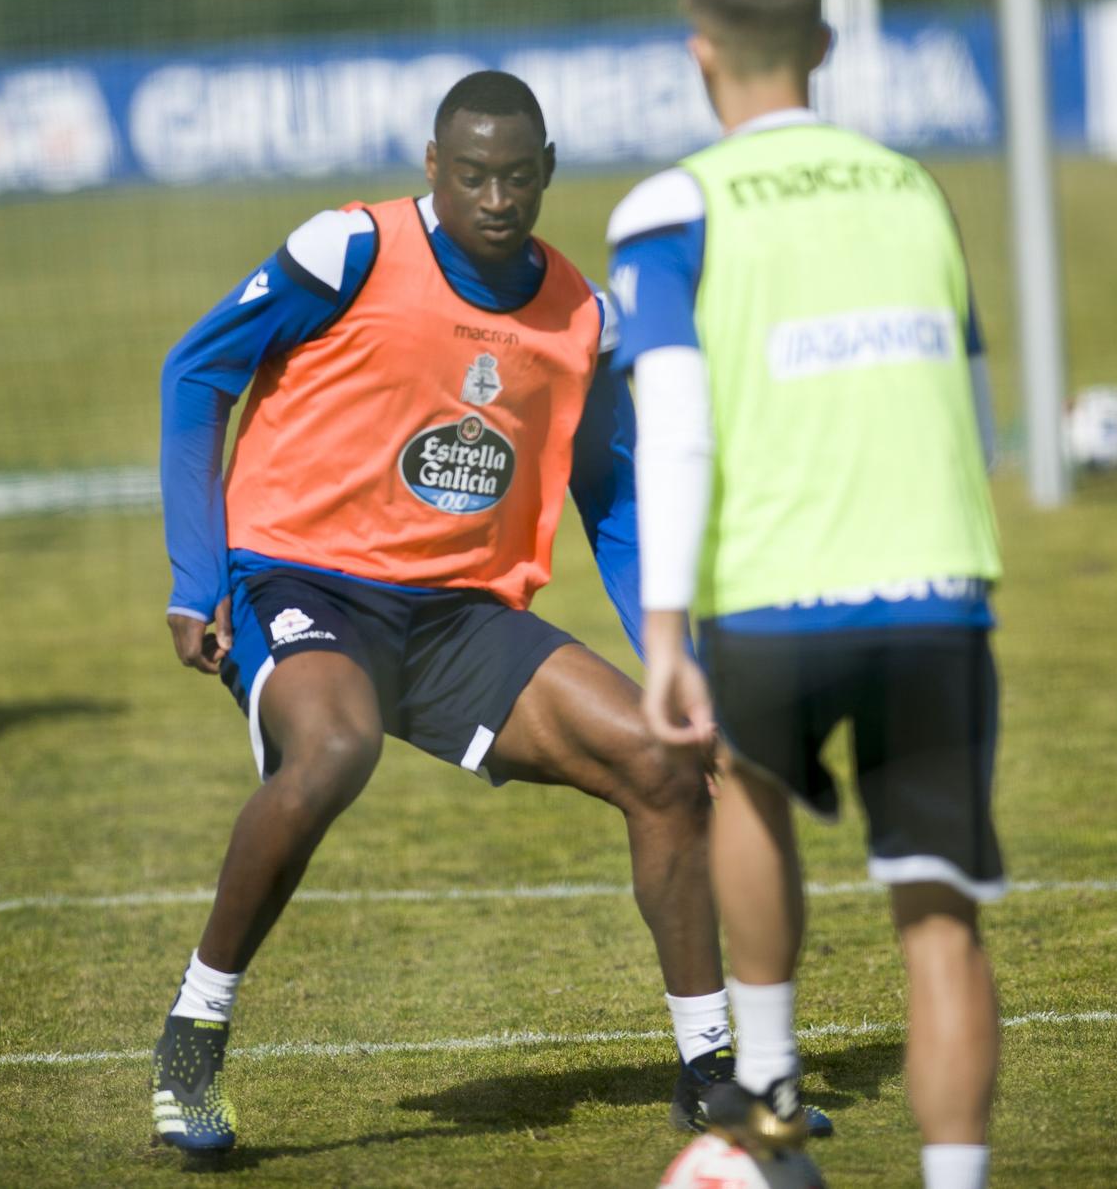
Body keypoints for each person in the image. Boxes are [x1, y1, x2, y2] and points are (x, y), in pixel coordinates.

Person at [150, 70, 833, 1156]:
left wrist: (677, 663)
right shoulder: (349, 248)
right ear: (433, 167)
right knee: (333, 746)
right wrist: (197, 576)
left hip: (458, 613)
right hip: (299, 580)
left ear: (547, 171)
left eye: (517, 176)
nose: (496, 197)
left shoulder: (578, 313)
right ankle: (194, 1033)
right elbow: (195, 376)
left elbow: (610, 498)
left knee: (662, 761)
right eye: (472, 174)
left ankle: (711, 1069)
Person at [612, 0, 1004, 1189]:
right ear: (823, 47)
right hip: (934, 586)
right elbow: (973, 398)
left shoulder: (675, 204)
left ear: (699, 52)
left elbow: (670, 422)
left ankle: (769, 1090)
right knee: (938, 929)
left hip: (772, 591)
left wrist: (662, 629)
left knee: (748, 791)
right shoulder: (914, 190)